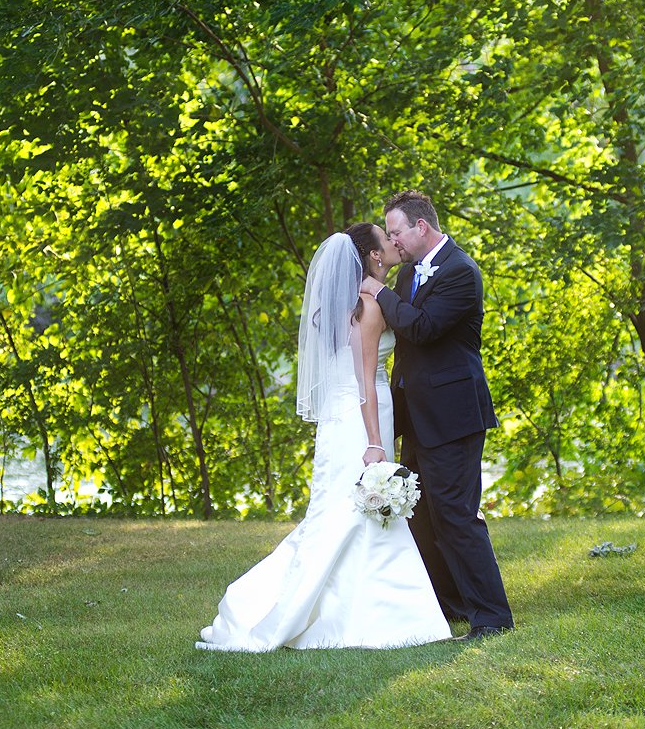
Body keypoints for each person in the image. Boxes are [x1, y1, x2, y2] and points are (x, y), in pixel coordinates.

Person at [196, 224, 452, 651]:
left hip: (345, 415)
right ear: (372, 256)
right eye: (386, 239)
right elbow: (365, 381)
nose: (394, 243)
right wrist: (375, 442)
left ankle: (375, 612)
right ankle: (381, 616)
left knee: (349, 513)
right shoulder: (367, 309)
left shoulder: (345, 308)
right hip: (362, 417)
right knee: (353, 513)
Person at [358, 190, 514, 640]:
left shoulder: (461, 272)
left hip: (453, 415)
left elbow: (422, 328)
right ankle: (452, 605)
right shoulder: (409, 274)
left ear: (420, 227)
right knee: (423, 518)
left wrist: (381, 292)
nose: (393, 241)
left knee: (457, 515)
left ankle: (492, 616)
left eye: (396, 231)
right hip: (418, 417)